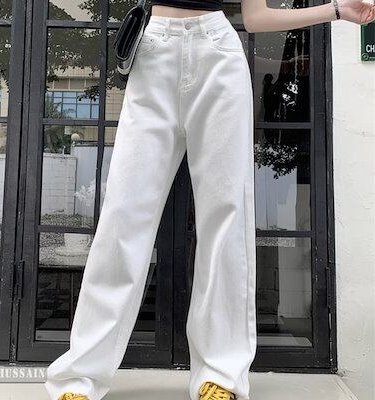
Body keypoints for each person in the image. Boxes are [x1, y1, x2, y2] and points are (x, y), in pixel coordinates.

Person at [44, 1, 375, 400]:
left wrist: (337, 10)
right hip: (153, 54)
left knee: (225, 220)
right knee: (122, 217)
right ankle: (81, 374)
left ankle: (219, 374)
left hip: (218, 53)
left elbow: (256, 18)